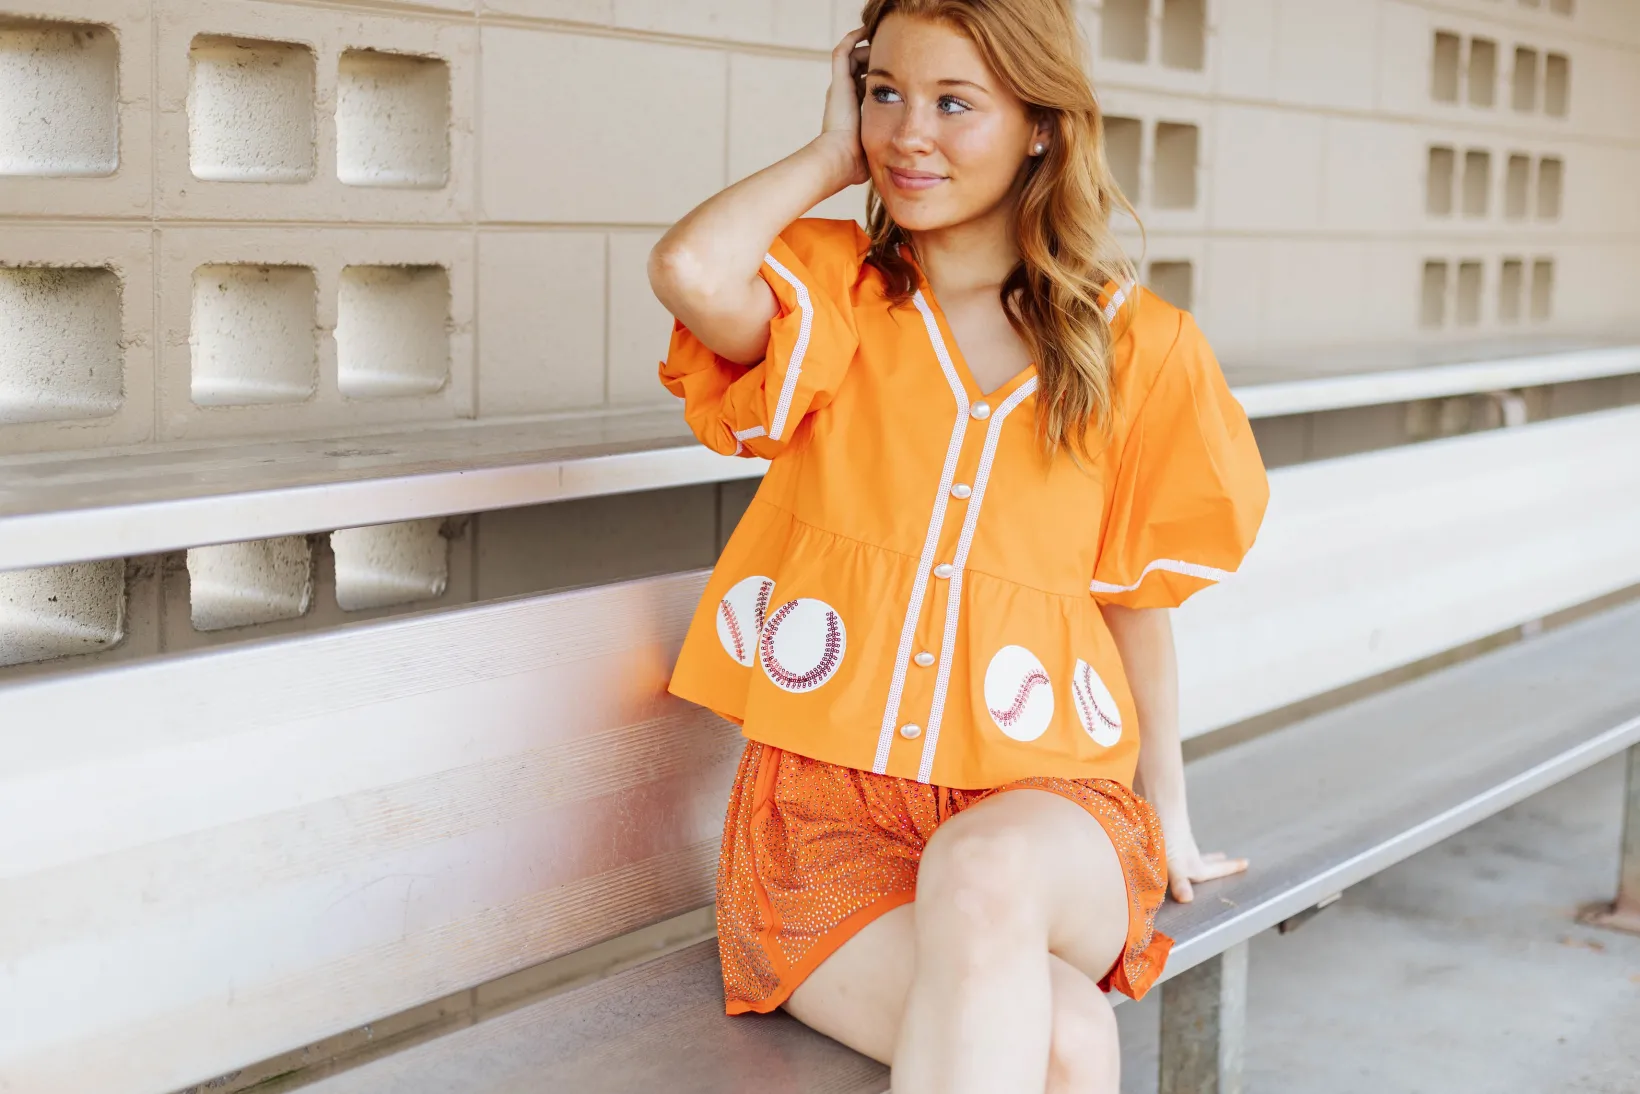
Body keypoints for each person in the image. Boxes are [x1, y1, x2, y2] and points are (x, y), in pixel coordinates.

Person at [648, 0, 1268, 1089]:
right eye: (884, 93)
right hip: (830, 827)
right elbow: (692, 269)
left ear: (1040, 126)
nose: (908, 134)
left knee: (982, 868)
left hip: (1045, 814)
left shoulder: (1140, 348)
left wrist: (1167, 812)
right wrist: (828, 155)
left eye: (952, 103)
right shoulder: (834, 297)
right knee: (1064, 1041)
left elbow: (1133, 598)